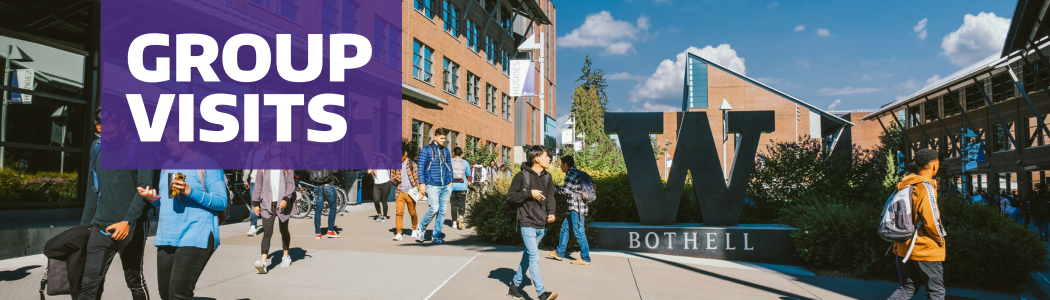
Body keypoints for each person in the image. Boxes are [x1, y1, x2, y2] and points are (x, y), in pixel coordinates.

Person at [137, 126, 228, 300]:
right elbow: (171, 202)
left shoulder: (206, 164)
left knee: (179, 294)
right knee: (166, 295)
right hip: (168, 236)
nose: (167, 143)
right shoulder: (168, 165)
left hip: (196, 235)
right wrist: (154, 199)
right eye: (166, 139)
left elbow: (221, 201)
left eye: (172, 138)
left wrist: (190, 191)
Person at [79, 107, 155, 300]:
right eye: (100, 132)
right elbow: (92, 188)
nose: (105, 137)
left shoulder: (140, 147)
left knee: (134, 281)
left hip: (131, 227)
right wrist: (84, 226)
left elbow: (144, 191)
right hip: (100, 225)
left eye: (110, 132)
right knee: (88, 284)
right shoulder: (97, 147)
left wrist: (128, 221)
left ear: (122, 125)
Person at [887, 149, 946, 300]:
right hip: (925, 249)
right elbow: (931, 219)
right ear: (934, 165)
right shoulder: (926, 187)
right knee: (936, 291)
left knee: (908, 288)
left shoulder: (905, 185)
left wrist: (896, 241)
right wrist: (940, 240)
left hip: (904, 246)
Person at [506, 146, 558, 300]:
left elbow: (551, 198)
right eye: (546, 156)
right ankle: (542, 293)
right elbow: (510, 197)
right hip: (527, 222)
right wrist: (529, 194)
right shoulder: (522, 176)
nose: (549, 159)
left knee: (528, 257)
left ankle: (514, 287)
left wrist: (552, 213)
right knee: (534, 258)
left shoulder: (547, 177)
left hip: (542, 224)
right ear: (537, 158)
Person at [251, 140, 296, 274]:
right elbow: (258, 184)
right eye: (272, 146)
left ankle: (286, 256)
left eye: (277, 146)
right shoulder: (263, 164)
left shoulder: (287, 164)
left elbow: (291, 183)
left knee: (284, 230)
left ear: (281, 149)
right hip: (267, 203)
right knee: (267, 232)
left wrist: (287, 198)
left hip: (282, 203)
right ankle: (263, 262)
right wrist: (255, 203)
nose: (274, 148)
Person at [546, 155, 593, 266]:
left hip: (576, 208)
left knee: (579, 231)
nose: (560, 166)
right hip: (576, 207)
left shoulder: (571, 174)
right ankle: (559, 253)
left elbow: (566, 191)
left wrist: (553, 187)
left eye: (561, 164)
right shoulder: (578, 173)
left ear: (565, 164)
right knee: (565, 228)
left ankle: (585, 258)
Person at [413, 128, 454, 244]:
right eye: (441, 138)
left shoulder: (446, 151)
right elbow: (420, 168)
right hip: (432, 185)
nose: (443, 140)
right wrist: (422, 184)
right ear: (434, 137)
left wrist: (450, 181)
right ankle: (421, 227)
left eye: (444, 138)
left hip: (446, 185)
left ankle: (436, 236)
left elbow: (449, 166)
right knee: (434, 208)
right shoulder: (426, 150)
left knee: (442, 212)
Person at [309, 147, 341, 239]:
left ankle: (318, 233)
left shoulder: (315, 156)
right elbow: (335, 170)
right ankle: (330, 230)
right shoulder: (333, 156)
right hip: (328, 184)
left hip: (317, 185)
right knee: (333, 206)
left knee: (318, 208)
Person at [391, 144, 420, 241]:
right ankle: (399, 233)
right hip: (399, 192)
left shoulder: (412, 164)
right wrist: (395, 178)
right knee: (399, 213)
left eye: (402, 156)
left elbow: (417, 179)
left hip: (410, 193)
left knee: (413, 213)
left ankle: (414, 229)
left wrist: (419, 191)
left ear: (406, 153)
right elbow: (392, 178)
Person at [241, 141, 268, 236]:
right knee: (254, 204)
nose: (253, 142)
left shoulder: (269, 150)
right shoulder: (252, 152)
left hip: (267, 182)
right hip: (254, 181)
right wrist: (245, 180)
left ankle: (268, 225)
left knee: (266, 204)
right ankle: (253, 227)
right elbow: (247, 166)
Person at [450, 147, 471, 230]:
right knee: (462, 202)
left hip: (452, 186)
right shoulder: (465, 162)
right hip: (462, 186)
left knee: (453, 204)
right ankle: (461, 216)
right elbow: (468, 174)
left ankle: (454, 223)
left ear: (453, 152)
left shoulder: (450, 161)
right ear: (461, 153)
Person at [368, 155, 394, 222]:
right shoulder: (375, 165)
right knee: (376, 200)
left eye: (380, 157)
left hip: (386, 184)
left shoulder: (386, 164)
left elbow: (390, 160)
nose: (379, 158)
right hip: (377, 185)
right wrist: (373, 162)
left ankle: (385, 216)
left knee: (384, 201)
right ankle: (379, 215)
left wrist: (383, 155)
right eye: (378, 157)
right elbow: (368, 171)